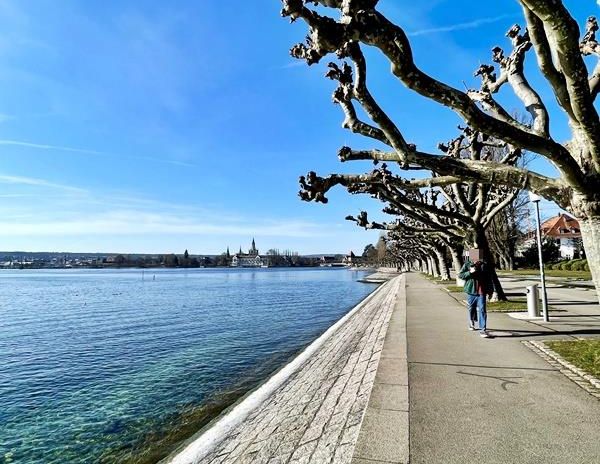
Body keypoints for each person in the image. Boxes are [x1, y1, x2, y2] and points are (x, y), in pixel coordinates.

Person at [458, 256, 494, 338]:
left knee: (482, 309)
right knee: (471, 308)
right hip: (471, 291)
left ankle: (483, 330)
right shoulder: (467, 264)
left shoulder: (484, 265)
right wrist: (469, 272)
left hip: (482, 291)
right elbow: (460, 275)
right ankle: (472, 321)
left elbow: (489, 279)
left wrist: (490, 291)